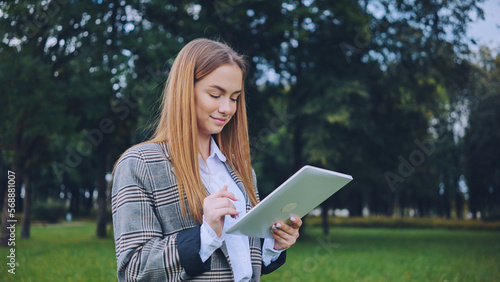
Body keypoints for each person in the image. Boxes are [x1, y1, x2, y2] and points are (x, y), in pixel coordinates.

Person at [111, 38, 302, 281]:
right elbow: (133, 270)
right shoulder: (140, 164)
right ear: (184, 91)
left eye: (234, 98)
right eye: (215, 94)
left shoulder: (241, 171)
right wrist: (206, 234)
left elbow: (243, 261)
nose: (227, 108)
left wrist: (273, 245)